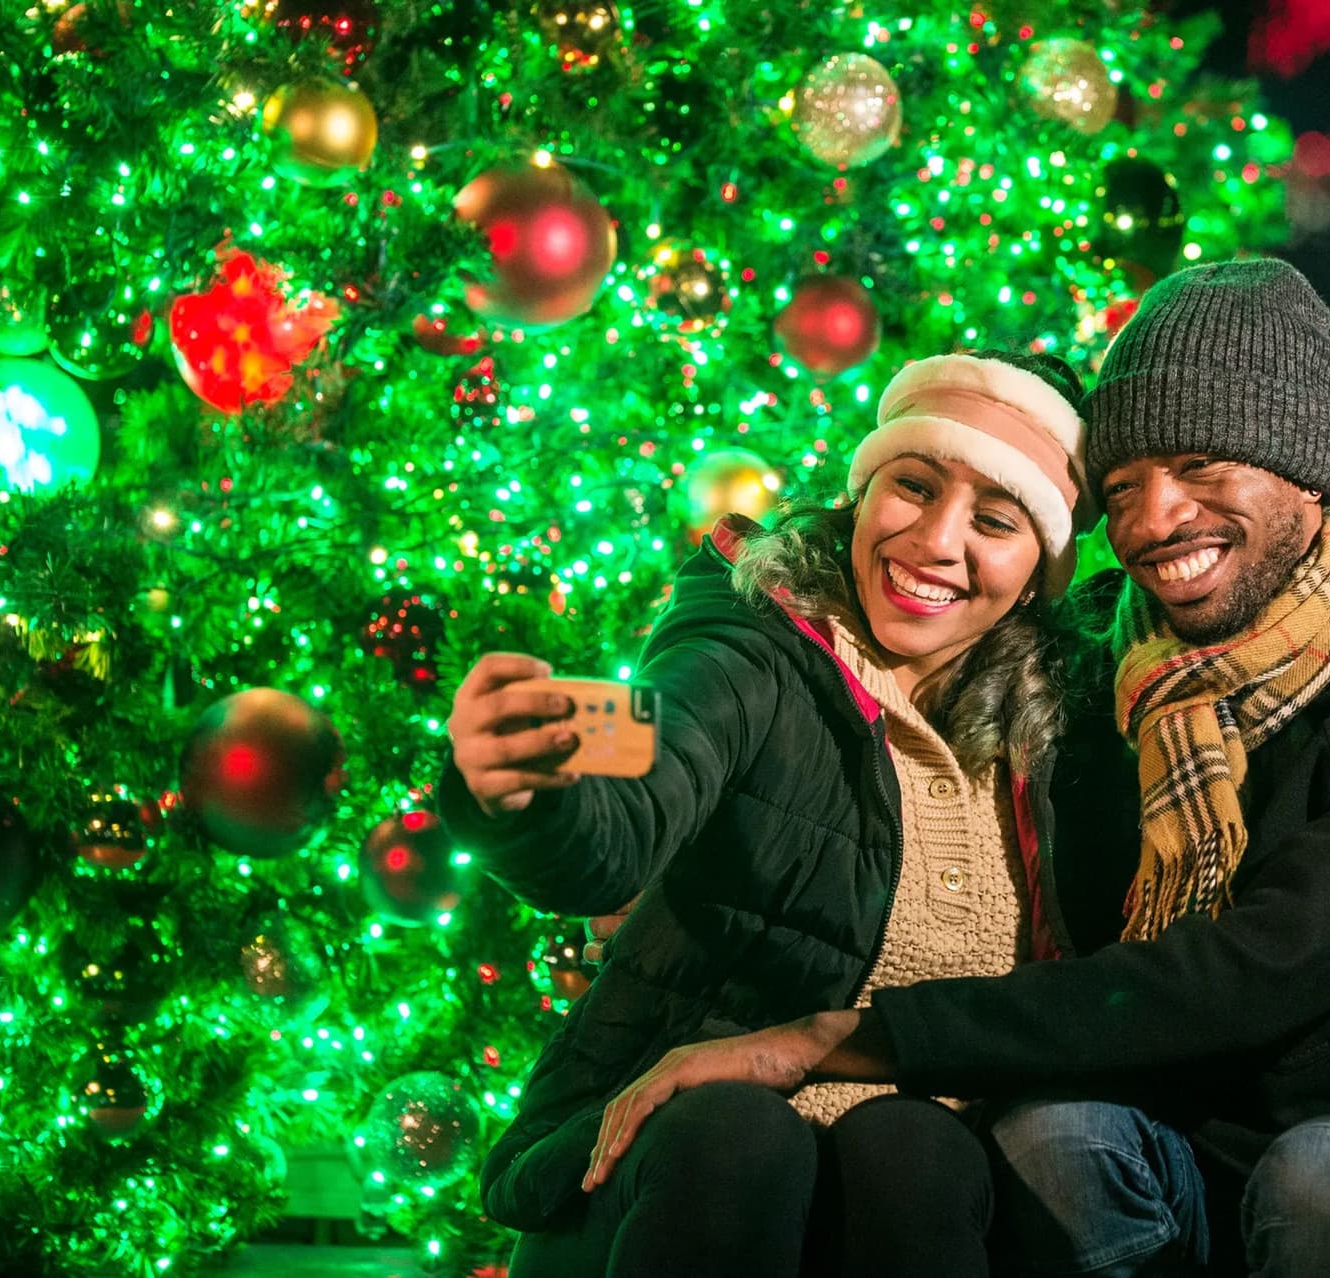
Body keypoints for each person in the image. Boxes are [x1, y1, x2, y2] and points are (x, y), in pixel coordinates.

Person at [587, 261, 1330, 1277]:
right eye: (1122, 489)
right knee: (1052, 1134)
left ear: (1304, 468)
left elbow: (1256, 968)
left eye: (1204, 467)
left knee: (1323, 1180)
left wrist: (837, 1037)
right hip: (1148, 1124)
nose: (1157, 523)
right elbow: (819, 655)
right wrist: (573, 779)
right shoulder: (1075, 665)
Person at [436, 349, 1095, 1277]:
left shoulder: (1057, 732)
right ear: (862, 494)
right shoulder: (747, 640)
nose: (937, 540)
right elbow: (634, 791)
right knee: (742, 1136)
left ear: (1038, 572)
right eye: (912, 485)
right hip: (680, 1182)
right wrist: (522, 791)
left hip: (900, 1205)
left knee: (916, 1149)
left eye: (993, 520)